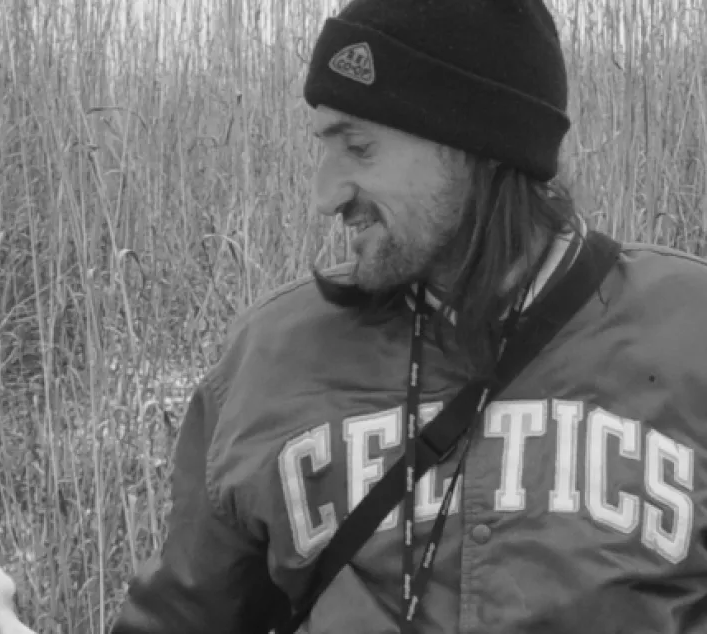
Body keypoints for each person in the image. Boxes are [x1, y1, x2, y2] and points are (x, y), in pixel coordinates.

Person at [108, 0, 707, 632]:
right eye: (327, 145)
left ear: (480, 143)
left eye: (360, 147)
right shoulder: (272, 358)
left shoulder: (687, 331)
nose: (324, 195)